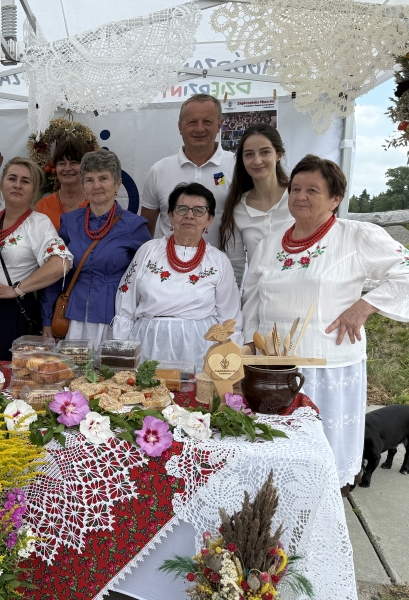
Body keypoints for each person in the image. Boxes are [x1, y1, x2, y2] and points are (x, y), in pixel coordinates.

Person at [242, 155, 409, 493]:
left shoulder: (356, 236)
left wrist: (365, 305)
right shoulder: (269, 245)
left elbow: (405, 271)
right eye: (296, 188)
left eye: (313, 190)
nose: (300, 196)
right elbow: (252, 300)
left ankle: (328, 496)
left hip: (328, 366)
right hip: (275, 370)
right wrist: (248, 344)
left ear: (335, 199)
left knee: (323, 450)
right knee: (278, 452)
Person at [113, 182, 242, 368]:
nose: (189, 215)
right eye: (182, 209)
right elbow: (126, 304)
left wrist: (230, 361)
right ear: (171, 216)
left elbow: (230, 318)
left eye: (199, 210)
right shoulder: (148, 251)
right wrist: (120, 353)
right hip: (149, 343)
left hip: (199, 347)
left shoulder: (219, 261)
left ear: (209, 220)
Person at [40, 149, 151, 351]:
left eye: (103, 178)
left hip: (114, 321)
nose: (96, 185)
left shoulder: (134, 227)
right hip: (72, 319)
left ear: (117, 184)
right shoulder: (69, 222)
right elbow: (57, 273)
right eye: (89, 179)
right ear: (83, 185)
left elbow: (144, 281)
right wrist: (47, 319)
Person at [139, 93, 245, 285]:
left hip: (224, 273)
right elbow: (145, 228)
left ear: (220, 124)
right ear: (180, 126)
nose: (199, 128)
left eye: (207, 121)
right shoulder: (159, 170)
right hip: (168, 276)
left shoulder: (238, 167)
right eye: (192, 122)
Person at [0, 158, 73, 360]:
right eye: (12, 178)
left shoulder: (38, 223)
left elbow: (62, 262)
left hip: (13, 310)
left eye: (25, 181)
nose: (18, 185)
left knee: (5, 368)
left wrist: (17, 289)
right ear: (2, 184)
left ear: (34, 189)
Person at [218, 124, 293, 261]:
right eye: (249, 154)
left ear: (278, 155)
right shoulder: (237, 207)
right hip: (256, 283)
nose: (257, 161)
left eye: (265, 152)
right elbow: (236, 264)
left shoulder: (298, 197)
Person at [35, 137, 90, 232]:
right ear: (55, 168)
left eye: (74, 163)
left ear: (85, 167)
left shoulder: (95, 202)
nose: (67, 168)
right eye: (62, 163)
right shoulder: (42, 206)